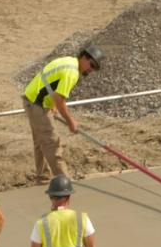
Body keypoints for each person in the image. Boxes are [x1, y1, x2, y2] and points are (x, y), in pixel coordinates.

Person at [21, 45, 101, 183]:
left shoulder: (68, 61)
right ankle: (65, 182)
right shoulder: (72, 72)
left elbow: (50, 83)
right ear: (84, 57)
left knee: (41, 142)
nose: (91, 70)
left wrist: (51, 107)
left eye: (94, 68)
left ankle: (43, 177)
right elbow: (59, 98)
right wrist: (70, 122)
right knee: (52, 144)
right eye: (91, 65)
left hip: (32, 99)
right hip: (37, 105)